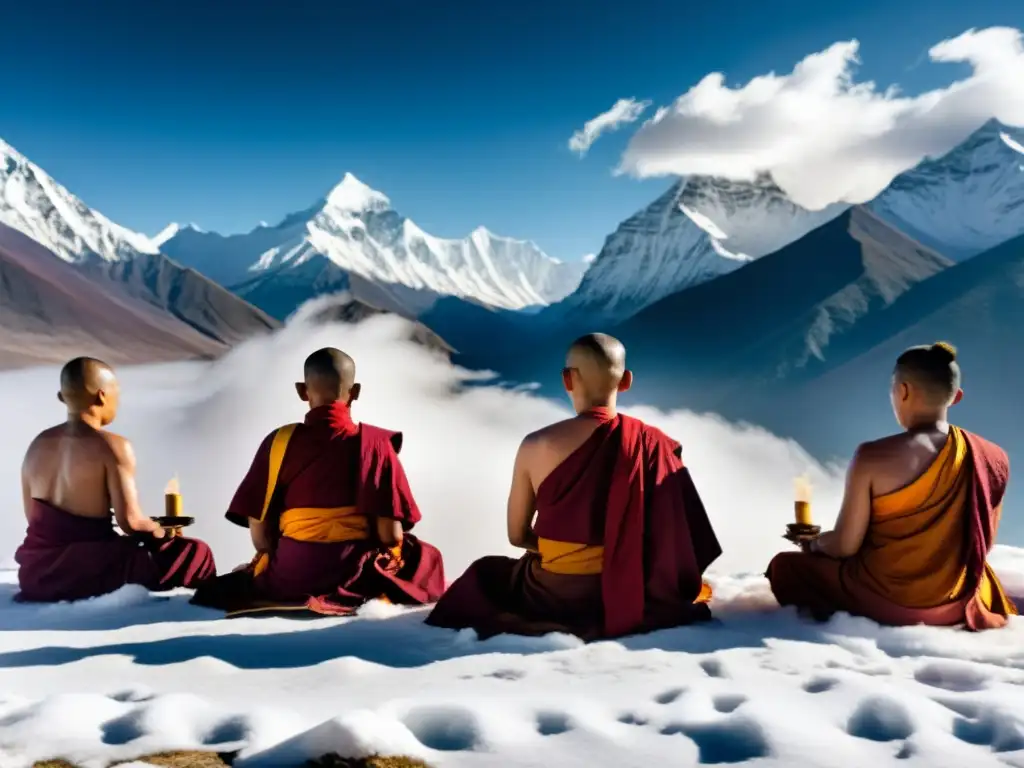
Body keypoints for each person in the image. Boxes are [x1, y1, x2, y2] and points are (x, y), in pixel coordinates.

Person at [425, 333, 721, 640]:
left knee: (486, 574)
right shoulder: (654, 445)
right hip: (631, 591)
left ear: (568, 380)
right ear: (626, 381)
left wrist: (568, 554)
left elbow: (517, 536)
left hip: (552, 590)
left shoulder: (536, 444)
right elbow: (683, 537)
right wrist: (623, 555)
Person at [767, 342, 1016, 630]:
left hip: (885, 602)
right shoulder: (993, 456)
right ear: (956, 397)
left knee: (784, 567)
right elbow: (984, 542)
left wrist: (814, 543)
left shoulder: (872, 455)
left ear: (903, 391)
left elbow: (846, 545)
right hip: (957, 602)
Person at [191, 347, 445, 616]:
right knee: (425, 556)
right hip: (355, 575)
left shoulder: (278, 442)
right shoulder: (376, 445)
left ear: (302, 391)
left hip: (289, 576)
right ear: (355, 391)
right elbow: (389, 535)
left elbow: (262, 537)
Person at [15, 357, 216, 602]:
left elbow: (32, 517)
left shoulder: (36, 445)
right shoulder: (112, 446)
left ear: (62, 397)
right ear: (101, 396)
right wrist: (161, 530)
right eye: (116, 394)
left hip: (37, 574)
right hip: (84, 572)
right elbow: (130, 521)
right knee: (195, 552)